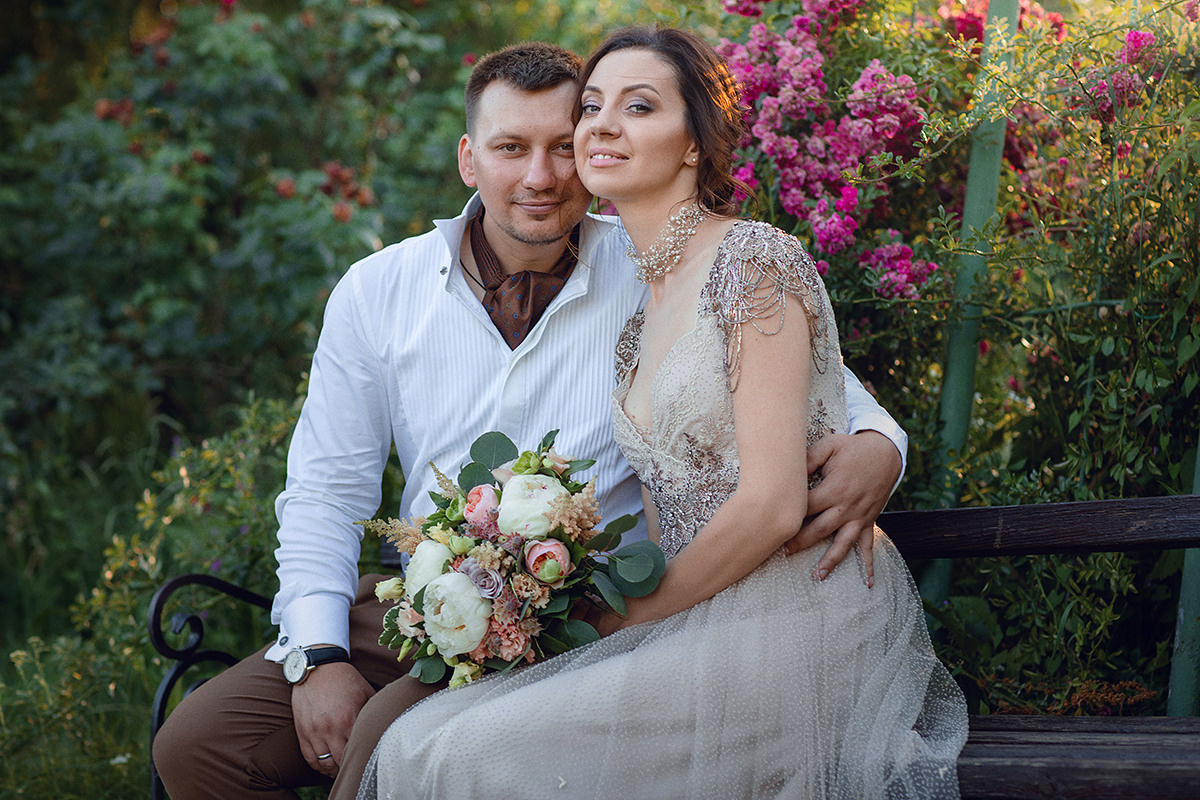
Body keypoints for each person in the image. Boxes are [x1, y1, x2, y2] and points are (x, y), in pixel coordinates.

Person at [152, 40, 909, 800]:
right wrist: (318, 655)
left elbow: (812, 383)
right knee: (198, 750)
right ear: (468, 159)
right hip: (424, 601)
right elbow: (325, 492)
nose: (541, 176)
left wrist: (882, 447)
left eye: (560, 145)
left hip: (581, 611)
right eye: (512, 148)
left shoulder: (650, 270)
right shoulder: (377, 290)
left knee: (393, 740)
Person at [357, 27, 967, 800]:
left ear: (691, 144)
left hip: (799, 615)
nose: (602, 125)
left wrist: (618, 622)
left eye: (639, 106)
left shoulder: (751, 262)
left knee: (466, 754)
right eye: (592, 106)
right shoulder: (638, 322)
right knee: (416, 741)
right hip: (696, 619)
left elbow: (776, 501)